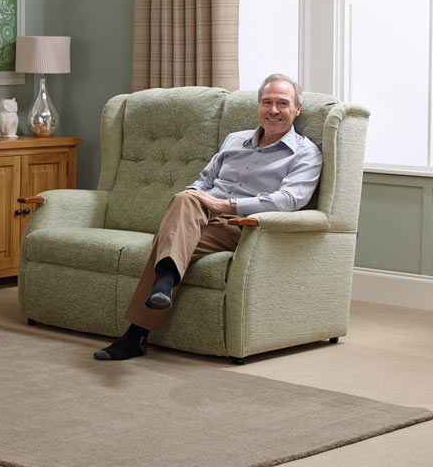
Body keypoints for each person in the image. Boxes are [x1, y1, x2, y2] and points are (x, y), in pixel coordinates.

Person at [93, 73, 323, 361]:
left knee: (170, 238)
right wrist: (196, 196)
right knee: (185, 198)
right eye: (267, 102)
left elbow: (289, 200)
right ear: (259, 106)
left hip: (243, 226)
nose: (273, 110)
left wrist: (226, 206)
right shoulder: (235, 140)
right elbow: (204, 181)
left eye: (282, 103)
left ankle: (140, 325)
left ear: (297, 109)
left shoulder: (305, 153)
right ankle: (147, 313)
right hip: (200, 218)